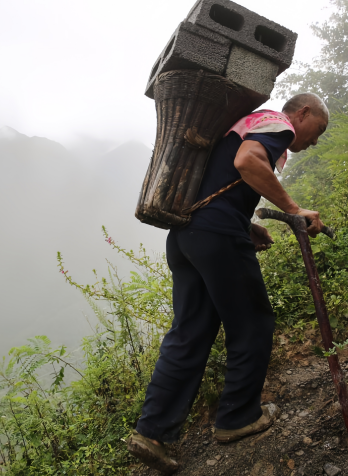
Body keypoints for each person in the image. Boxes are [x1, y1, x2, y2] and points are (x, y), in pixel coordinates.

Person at [127, 93, 329, 473]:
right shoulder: (277, 123)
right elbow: (247, 161)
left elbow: (223, 179)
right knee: (252, 322)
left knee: (190, 331)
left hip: (187, 234)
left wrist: (245, 224)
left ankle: (151, 433)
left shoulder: (244, 125)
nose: (313, 141)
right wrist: (294, 208)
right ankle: (237, 418)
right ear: (302, 114)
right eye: (317, 131)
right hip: (215, 234)